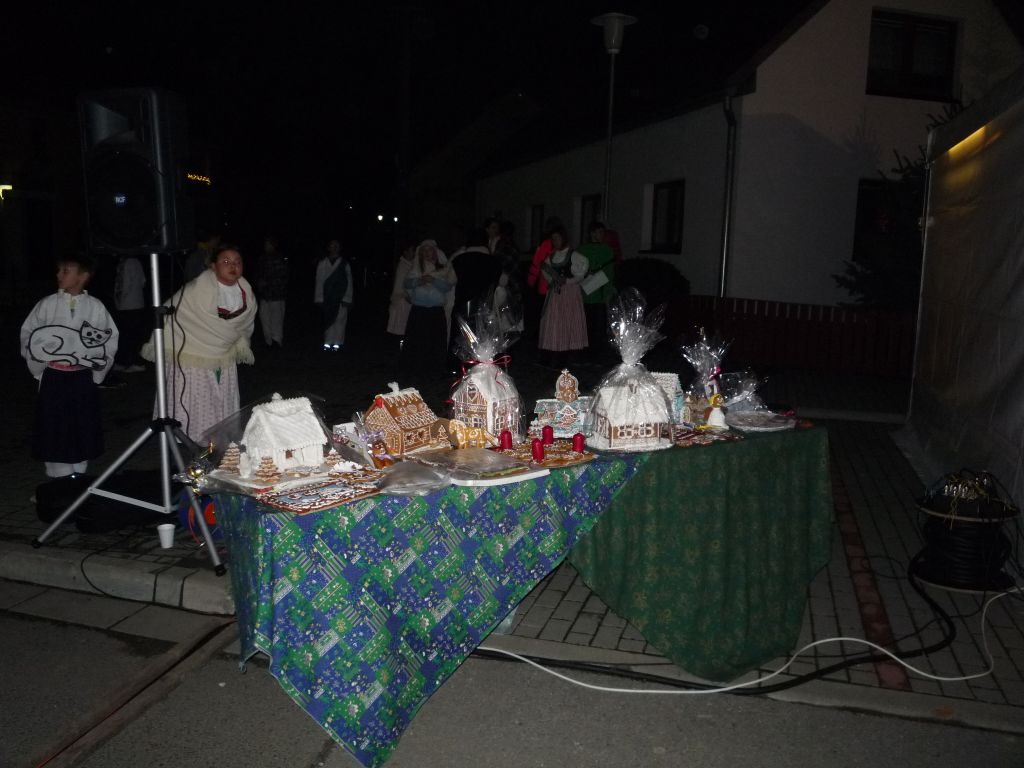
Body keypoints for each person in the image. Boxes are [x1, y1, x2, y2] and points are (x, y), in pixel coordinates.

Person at [141, 244, 256, 444]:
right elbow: (170, 313)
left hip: (224, 357)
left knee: (220, 401)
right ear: (213, 266)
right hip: (193, 357)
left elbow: (243, 325)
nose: (233, 266)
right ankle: (193, 441)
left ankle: (217, 440)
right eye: (226, 261)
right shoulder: (195, 289)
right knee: (196, 402)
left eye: (237, 262)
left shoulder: (246, 291)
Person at [20, 253, 119, 478]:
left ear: (83, 276)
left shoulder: (95, 307)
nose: (59, 275)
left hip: (81, 377)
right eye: (59, 270)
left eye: (65, 270)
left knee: (81, 424)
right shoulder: (47, 305)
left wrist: (96, 372)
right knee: (54, 425)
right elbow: (29, 335)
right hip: (54, 375)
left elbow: (108, 339)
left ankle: (79, 476)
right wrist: (39, 364)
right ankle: (58, 478)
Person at [401, 239, 456, 379]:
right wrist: (419, 281)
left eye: (429, 250)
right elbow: (407, 283)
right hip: (419, 310)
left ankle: (434, 368)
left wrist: (433, 280)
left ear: (435, 252)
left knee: (435, 341)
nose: (427, 253)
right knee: (418, 340)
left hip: (435, 310)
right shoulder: (416, 268)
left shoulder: (443, 268)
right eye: (424, 251)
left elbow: (448, 286)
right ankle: (416, 367)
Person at [538, 226, 588, 367]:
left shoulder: (574, 255)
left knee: (569, 321)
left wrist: (567, 281)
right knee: (555, 322)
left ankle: (569, 355)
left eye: (557, 238)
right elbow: (545, 271)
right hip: (556, 294)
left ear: (564, 238)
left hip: (570, 293)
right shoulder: (551, 257)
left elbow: (581, 274)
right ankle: (554, 353)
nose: (555, 241)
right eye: (553, 239)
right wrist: (552, 281)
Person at [576, 221, 616, 353]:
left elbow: (610, 274)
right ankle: (586, 352)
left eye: (603, 232)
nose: (602, 235)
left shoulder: (607, 250)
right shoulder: (582, 250)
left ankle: (595, 353)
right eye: (599, 232)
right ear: (592, 233)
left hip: (599, 296)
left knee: (598, 327)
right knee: (586, 326)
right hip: (585, 296)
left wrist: (608, 294)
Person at [314, 239, 353, 352]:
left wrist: (347, 298)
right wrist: (319, 298)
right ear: (328, 248)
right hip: (328, 298)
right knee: (329, 320)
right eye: (332, 245)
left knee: (340, 321)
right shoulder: (323, 263)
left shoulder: (344, 264)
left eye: (337, 245)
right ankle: (328, 342)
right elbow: (319, 281)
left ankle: (337, 343)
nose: (334, 247)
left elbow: (349, 282)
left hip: (340, 297)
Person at [112, 254, 147, 373]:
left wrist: (119, 299)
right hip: (136, 303)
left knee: (129, 335)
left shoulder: (127, 262)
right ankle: (126, 361)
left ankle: (136, 362)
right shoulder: (135, 261)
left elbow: (124, 284)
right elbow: (143, 281)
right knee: (130, 335)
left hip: (128, 305)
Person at [256, 235, 289, 348]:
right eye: (266, 244)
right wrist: (259, 283)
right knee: (264, 318)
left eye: (268, 244)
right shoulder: (262, 259)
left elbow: (283, 276)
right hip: (265, 295)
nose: (266, 246)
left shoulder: (280, 259)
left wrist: (268, 282)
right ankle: (268, 341)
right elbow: (258, 274)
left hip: (277, 295)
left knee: (277, 319)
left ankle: (276, 340)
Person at [386, 241, 416, 349]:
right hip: (402, 301)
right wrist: (407, 297)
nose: (413, 253)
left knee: (404, 328)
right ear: (405, 252)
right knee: (400, 328)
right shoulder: (403, 266)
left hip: (407, 301)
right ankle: (397, 349)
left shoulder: (411, 265)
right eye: (411, 251)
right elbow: (399, 285)